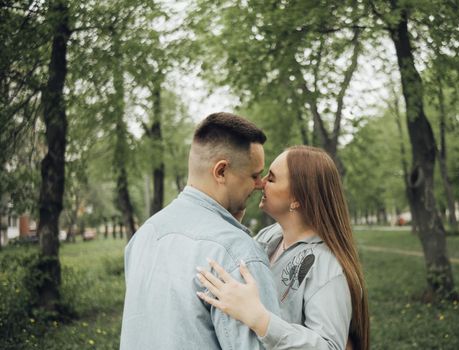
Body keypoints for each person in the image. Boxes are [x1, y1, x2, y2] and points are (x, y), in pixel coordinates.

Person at [120, 112, 281, 349]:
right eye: (255, 175)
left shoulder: (144, 236)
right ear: (221, 172)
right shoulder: (238, 255)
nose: (260, 185)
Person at [197, 145, 370, 350]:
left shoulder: (327, 266)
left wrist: (260, 319)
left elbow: (329, 346)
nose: (260, 184)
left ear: (297, 198)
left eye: (271, 179)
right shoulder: (270, 237)